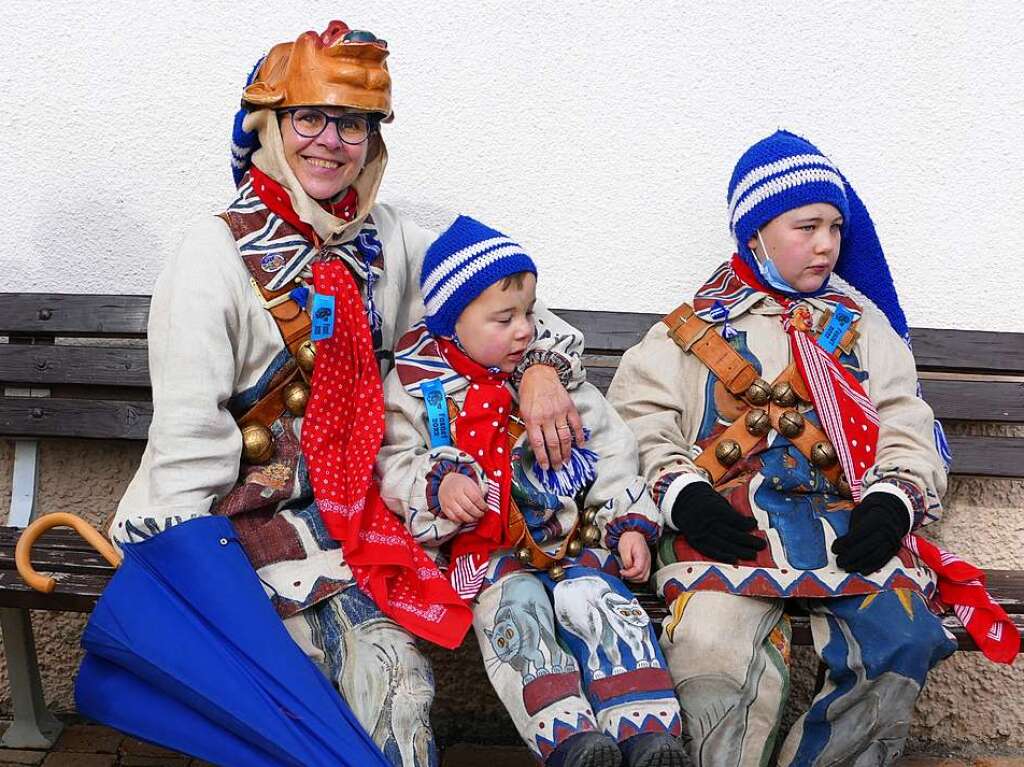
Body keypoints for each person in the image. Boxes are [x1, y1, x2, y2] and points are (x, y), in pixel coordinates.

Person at [110, 21, 585, 767]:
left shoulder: (392, 241)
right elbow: (188, 438)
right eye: (309, 117)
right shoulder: (211, 254)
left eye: (353, 123)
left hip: (365, 517)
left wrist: (538, 368)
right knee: (301, 704)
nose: (330, 141)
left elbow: (514, 314)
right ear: (269, 125)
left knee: (400, 686)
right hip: (243, 526)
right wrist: (193, 572)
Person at [607, 131, 957, 766]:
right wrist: (684, 498)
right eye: (805, 227)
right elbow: (639, 422)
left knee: (903, 638)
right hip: (725, 535)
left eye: (833, 228)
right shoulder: (693, 331)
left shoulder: (863, 327)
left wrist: (892, 505)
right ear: (756, 232)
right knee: (712, 651)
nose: (825, 245)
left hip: (848, 528)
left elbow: (906, 423)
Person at [377, 215, 688, 767]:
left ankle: (647, 733)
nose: (525, 329)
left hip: (570, 545)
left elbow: (612, 453)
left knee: (602, 606)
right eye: (505, 318)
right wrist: (438, 484)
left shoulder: (555, 387)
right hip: (488, 558)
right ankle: (569, 740)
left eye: (528, 312)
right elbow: (394, 461)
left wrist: (629, 524)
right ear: (453, 323)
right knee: (517, 620)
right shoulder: (417, 387)